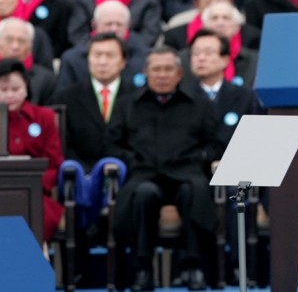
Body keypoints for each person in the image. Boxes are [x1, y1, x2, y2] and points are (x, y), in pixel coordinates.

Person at [109, 47, 221, 291]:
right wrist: (131, 159)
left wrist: (200, 158)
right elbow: (112, 144)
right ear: (145, 73)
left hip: (186, 173)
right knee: (143, 194)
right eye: (156, 69)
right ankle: (142, 269)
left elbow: (215, 144)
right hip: (144, 173)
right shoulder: (127, 105)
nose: (162, 75)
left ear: (179, 74)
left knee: (195, 191)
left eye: (168, 69)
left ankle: (193, 267)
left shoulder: (200, 105)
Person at [0, 58, 63, 242]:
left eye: (15, 89)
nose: (9, 95)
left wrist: (32, 185)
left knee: (36, 217)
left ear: (26, 88)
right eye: (3, 90)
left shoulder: (45, 117)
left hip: (36, 194)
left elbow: (54, 163)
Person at [51, 33, 134, 170]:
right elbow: (63, 145)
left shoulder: (137, 97)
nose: (102, 62)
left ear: (123, 62)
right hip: (80, 175)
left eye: (110, 56)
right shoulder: (66, 98)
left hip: (128, 173)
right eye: (97, 55)